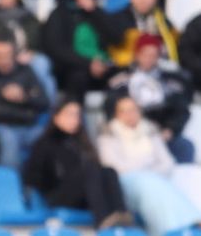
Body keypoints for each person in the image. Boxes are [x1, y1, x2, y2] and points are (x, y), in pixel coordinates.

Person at [97, 94, 201, 236]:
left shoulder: (151, 131)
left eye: (133, 110)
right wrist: (145, 167)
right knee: (148, 184)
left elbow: (167, 163)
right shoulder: (107, 135)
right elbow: (111, 166)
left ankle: (191, 225)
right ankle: (170, 234)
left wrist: (147, 172)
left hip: (153, 179)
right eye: (124, 111)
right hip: (125, 183)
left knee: (155, 186)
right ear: (116, 114)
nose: (130, 115)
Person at [23, 97, 133, 228]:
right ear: (56, 116)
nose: (74, 119)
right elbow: (32, 177)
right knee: (90, 169)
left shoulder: (82, 143)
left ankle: (120, 214)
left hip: (84, 194)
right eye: (69, 114)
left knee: (109, 171)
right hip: (58, 195)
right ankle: (102, 219)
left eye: (77, 115)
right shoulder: (44, 144)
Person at [0, 37, 50, 169]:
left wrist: (23, 98)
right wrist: (27, 112)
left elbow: (44, 102)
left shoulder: (26, 71)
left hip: (30, 127)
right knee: (9, 140)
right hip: (2, 127)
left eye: (8, 54)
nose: (4, 59)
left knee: (49, 137)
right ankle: (10, 185)